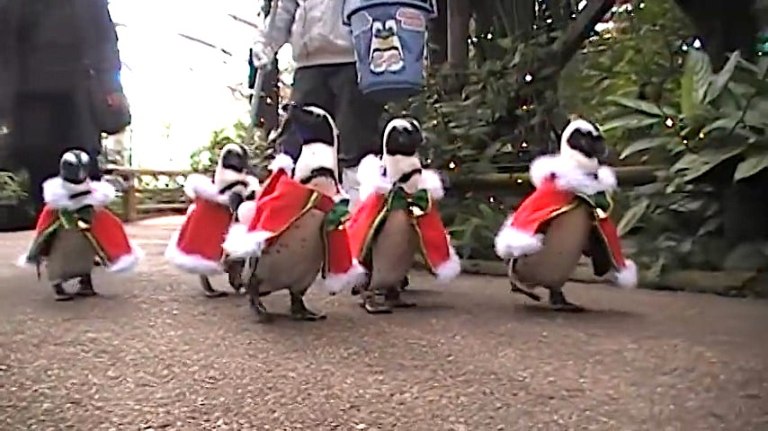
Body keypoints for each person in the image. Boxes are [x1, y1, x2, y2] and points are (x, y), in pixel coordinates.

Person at [0, 0, 126, 228]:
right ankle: (51, 240)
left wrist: (111, 86)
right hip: (28, 97)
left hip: (77, 92)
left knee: (83, 163)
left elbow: (105, 40)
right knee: (40, 167)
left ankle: (90, 237)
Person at [250, 0, 385, 205]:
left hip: (354, 59)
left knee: (355, 139)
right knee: (298, 139)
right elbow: (283, 10)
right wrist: (265, 45)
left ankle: (359, 211)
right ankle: (289, 207)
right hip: (308, 63)